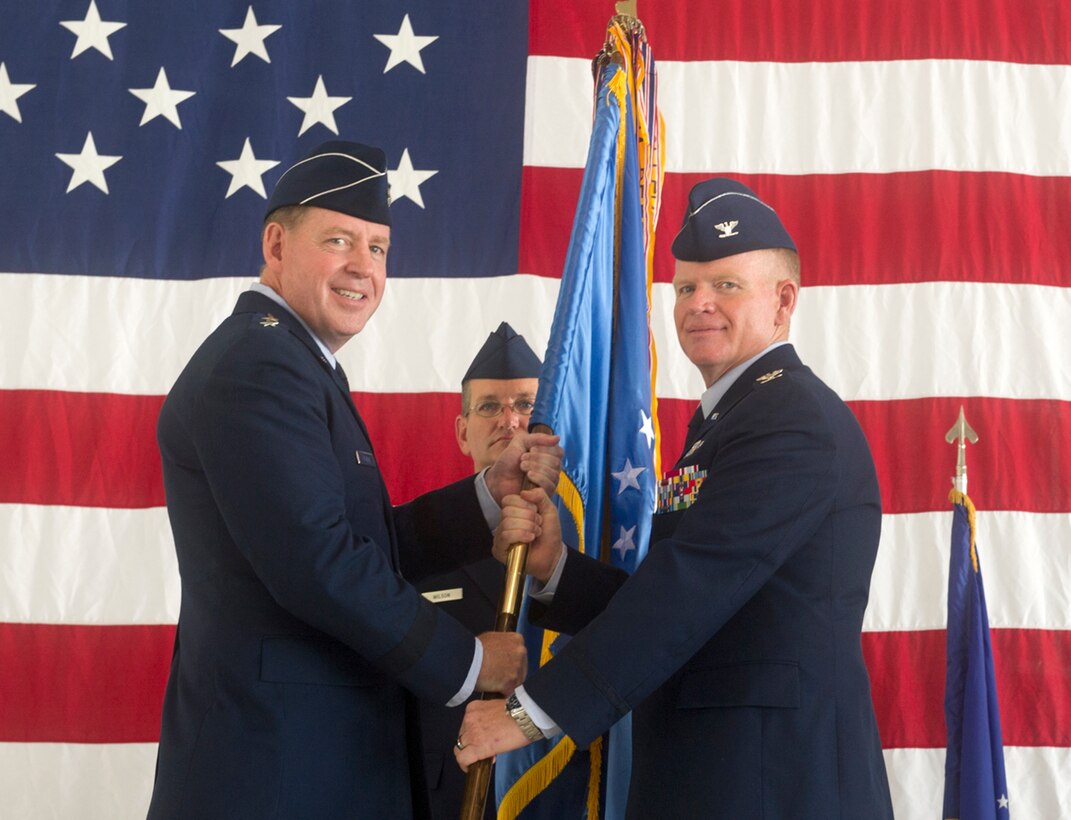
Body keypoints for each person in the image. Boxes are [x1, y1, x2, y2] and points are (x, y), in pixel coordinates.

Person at [455, 178, 895, 818]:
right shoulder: (730, 419)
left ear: (783, 302)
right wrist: (556, 569)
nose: (699, 304)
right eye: (687, 287)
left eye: (726, 286)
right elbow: (686, 598)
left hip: (775, 782)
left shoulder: (789, 420)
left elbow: (690, 589)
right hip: (722, 775)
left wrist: (529, 715)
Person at [146, 140, 561, 820]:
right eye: (338, 240)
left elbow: (361, 542)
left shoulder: (291, 361)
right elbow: (316, 562)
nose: (362, 267)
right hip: (278, 773)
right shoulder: (261, 365)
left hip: (305, 763)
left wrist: (488, 493)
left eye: (378, 248)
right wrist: (465, 663)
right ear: (276, 245)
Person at [415, 322, 593, 819]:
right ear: (461, 431)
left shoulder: (583, 547)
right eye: (489, 406)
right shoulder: (418, 547)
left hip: (565, 795)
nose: (509, 421)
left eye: (525, 406)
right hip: (446, 797)